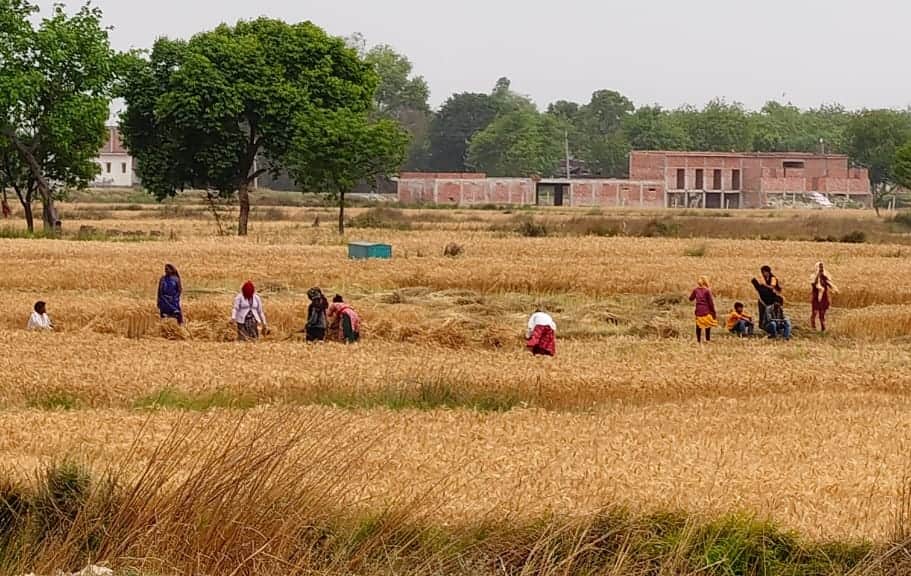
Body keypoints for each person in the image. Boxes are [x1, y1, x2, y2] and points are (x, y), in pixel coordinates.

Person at [689, 276, 718, 343]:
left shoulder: (695, 290)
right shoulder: (707, 291)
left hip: (698, 310)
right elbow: (711, 303)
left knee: (698, 325)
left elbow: (690, 298)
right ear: (706, 282)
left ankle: (698, 340)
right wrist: (713, 312)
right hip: (706, 310)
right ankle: (707, 339)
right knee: (708, 325)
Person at [810, 261, 837, 332]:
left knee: (822, 313)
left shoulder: (825, 276)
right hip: (816, 296)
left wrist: (834, 288)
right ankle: (813, 327)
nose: (821, 269)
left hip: (824, 297)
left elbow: (829, 282)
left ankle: (823, 328)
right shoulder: (813, 276)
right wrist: (818, 276)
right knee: (815, 312)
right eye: (820, 267)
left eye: (822, 267)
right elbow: (814, 284)